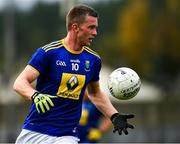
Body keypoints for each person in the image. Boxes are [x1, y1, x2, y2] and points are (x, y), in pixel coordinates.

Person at [13, 4, 135, 144]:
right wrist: (35, 95)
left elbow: (95, 93)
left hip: (66, 136)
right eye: (91, 27)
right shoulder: (48, 53)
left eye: (96, 28)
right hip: (34, 132)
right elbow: (19, 82)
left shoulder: (93, 60)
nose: (95, 33)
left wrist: (113, 115)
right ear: (75, 27)